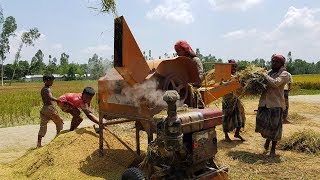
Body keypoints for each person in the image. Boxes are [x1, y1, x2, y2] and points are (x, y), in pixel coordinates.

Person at [255, 54, 289, 157]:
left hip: (275, 104)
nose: (274, 63)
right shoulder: (268, 72)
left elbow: (275, 83)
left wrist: (264, 75)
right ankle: (267, 139)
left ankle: (273, 149)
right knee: (261, 123)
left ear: (281, 64)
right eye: (273, 61)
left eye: (276, 62)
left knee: (275, 127)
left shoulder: (284, 74)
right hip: (264, 103)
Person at [222, 59, 246, 142]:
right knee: (227, 117)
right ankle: (226, 135)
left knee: (241, 116)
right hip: (228, 99)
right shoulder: (224, 75)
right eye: (232, 66)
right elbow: (222, 85)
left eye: (235, 66)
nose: (234, 68)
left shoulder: (238, 75)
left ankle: (237, 133)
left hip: (236, 99)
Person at [37, 75, 64, 147]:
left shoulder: (44, 89)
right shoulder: (47, 89)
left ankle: (39, 143)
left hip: (44, 109)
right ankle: (57, 140)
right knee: (60, 122)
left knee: (43, 126)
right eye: (51, 80)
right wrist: (59, 100)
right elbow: (50, 97)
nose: (52, 82)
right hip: (49, 109)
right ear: (46, 81)